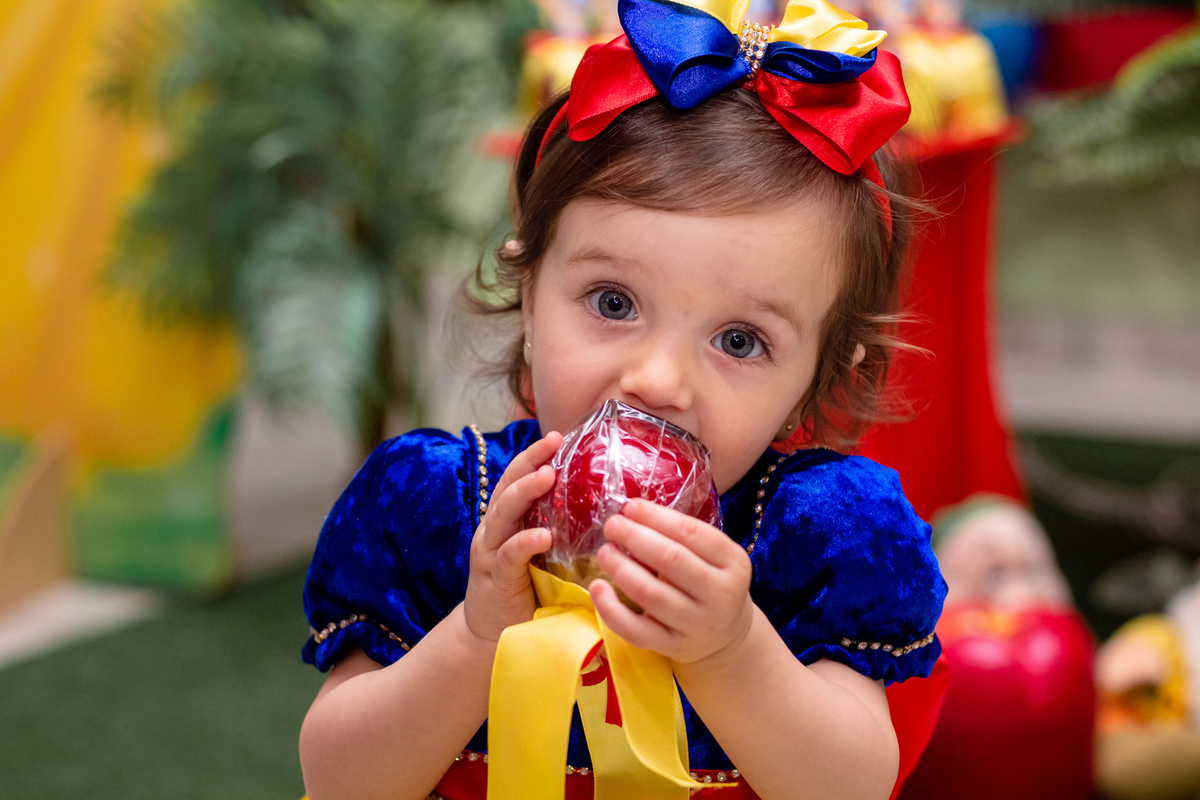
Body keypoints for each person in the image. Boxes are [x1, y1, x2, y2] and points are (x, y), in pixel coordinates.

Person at [297, 0, 947, 798]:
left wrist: (731, 651)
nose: (659, 381)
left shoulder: (822, 535)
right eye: (613, 302)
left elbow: (853, 787)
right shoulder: (431, 507)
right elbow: (337, 781)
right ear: (528, 293)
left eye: (740, 341)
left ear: (820, 375)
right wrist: (475, 637)